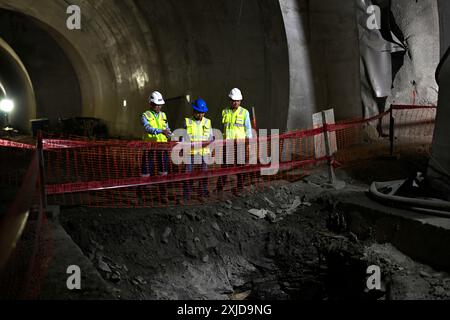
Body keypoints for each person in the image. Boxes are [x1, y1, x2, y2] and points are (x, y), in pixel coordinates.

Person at [216, 88, 253, 194]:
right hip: (227, 145)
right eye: (233, 100)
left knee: (240, 167)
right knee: (224, 167)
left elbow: (248, 129)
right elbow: (222, 128)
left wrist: (249, 144)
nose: (235, 102)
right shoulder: (224, 112)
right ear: (229, 99)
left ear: (240, 101)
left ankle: (240, 188)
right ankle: (219, 189)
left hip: (240, 144)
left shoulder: (244, 112)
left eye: (237, 101)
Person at [141, 91, 172, 203]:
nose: (158, 107)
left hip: (162, 147)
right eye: (156, 104)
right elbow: (148, 128)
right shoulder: (145, 115)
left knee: (163, 171)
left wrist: (171, 135)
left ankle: (163, 195)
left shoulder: (163, 115)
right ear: (151, 104)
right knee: (146, 171)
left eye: (160, 105)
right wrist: (161, 131)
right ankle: (141, 195)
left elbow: (167, 129)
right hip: (150, 148)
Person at [182, 99, 213, 203]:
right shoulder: (187, 122)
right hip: (190, 153)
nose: (201, 115)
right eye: (199, 112)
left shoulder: (208, 122)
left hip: (204, 153)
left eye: (202, 113)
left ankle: (202, 192)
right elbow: (183, 137)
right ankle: (186, 194)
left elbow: (211, 136)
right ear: (194, 111)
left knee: (204, 173)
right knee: (188, 174)